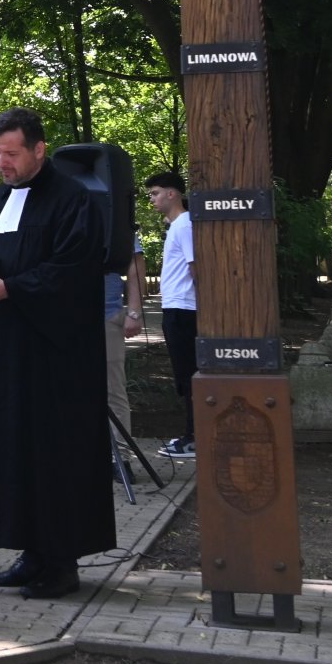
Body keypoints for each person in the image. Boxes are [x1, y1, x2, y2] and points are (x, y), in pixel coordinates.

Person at [0, 107, 114, 600]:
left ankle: (61, 562)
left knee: (53, 455)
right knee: (13, 453)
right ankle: (29, 553)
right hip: (5, 352)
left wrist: (12, 289)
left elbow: (74, 271)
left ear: (39, 149)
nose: (2, 163)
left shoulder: (75, 200)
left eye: (11, 153)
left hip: (55, 358)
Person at [146, 171, 197, 459]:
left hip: (184, 309)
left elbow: (195, 266)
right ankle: (192, 434)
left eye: (155, 193)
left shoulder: (185, 225)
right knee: (183, 375)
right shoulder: (177, 225)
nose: (152, 199)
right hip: (176, 307)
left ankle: (195, 439)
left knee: (189, 375)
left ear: (172, 193)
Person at [106, 223, 147, 439]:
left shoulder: (113, 212)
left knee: (113, 390)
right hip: (63, 320)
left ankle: (120, 456)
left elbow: (135, 262)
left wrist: (133, 312)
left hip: (106, 315)